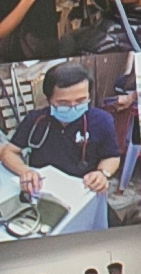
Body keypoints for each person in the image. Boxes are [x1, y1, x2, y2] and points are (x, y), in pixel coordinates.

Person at [3, 61, 125, 204]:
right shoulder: (35, 120)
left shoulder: (102, 120)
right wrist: (25, 171)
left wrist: (101, 173)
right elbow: (9, 152)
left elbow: (112, 157)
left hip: (83, 192)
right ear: (48, 99)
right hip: (41, 191)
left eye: (80, 101)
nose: (73, 107)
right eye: (63, 103)